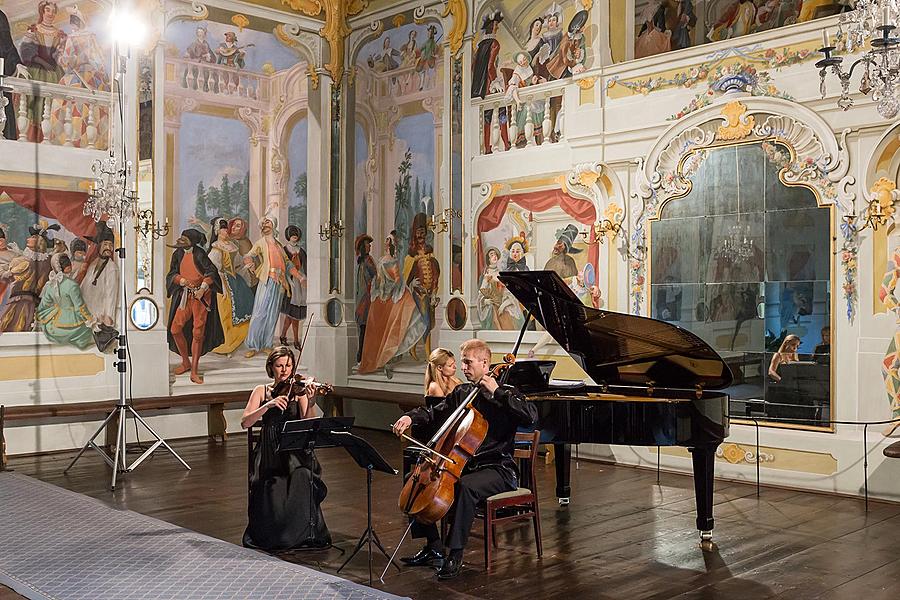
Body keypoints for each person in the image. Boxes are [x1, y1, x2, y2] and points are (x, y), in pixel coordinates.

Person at [391, 339, 537, 579]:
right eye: (463, 363)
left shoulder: (507, 392)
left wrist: (497, 391)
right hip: (468, 466)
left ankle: (455, 554)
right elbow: (433, 412)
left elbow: (531, 417)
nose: (464, 368)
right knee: (415, 480)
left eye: (468, 363)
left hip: (498, 469)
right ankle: (433, 546)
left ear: (485, 363)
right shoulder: (463, 392)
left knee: (466, 487)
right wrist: (410, 417)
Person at [241, 346, 331, 551]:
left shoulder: (298, 392)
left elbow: (311, 421)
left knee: (303, 476)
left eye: (288, 365)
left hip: (295, 449)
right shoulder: (261, 391)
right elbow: (245, 422)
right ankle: (276, 536)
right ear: (271, 367)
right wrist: (268, 405)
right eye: (280, 366)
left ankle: (302, 534)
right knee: (273, 485)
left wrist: (312, 400)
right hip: (270, 450)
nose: (285, 370)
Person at [166, 228, 224, 384]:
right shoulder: (177, 254)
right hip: (185, 296)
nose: (180, 240)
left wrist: (204, 287)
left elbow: (212, 272)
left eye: (184, 239)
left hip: (201, 297)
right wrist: (180, 280)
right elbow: (171, 274)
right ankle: (186, 362)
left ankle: (194, 371)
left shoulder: (200, 254)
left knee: (198, 334)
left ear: (192, 241)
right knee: (175, 329)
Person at [36, 253, 94, 349]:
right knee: (86, 332)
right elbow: (80, 308)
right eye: (67, 263)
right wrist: (91, 320)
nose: (70, 264)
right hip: (72, 324)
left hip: (52, 328)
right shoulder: (72, 285)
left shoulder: (50, 284)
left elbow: (44, 305)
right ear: (67, 267)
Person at [278, 225, 307, 349]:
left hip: (300, 283)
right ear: (288, 236)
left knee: (292, 315)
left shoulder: (301, 251)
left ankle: (283, 335)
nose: (294, 236)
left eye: (296, 234)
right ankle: (295, 340)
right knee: (292, 314)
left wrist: (303, 278)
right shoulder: (284, 250)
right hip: (289, 283)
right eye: (292, 234)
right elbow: (282, 266)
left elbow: (305, 266)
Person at [354, 234, 376, 365]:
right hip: (363, 299)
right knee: (363, 327)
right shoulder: (363, 261)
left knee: (365, 327)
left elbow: (376, 277)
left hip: (367, 298)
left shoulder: (368, 260)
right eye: (368, 244)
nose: (369, 246)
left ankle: (363, 355)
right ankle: (361, 355)